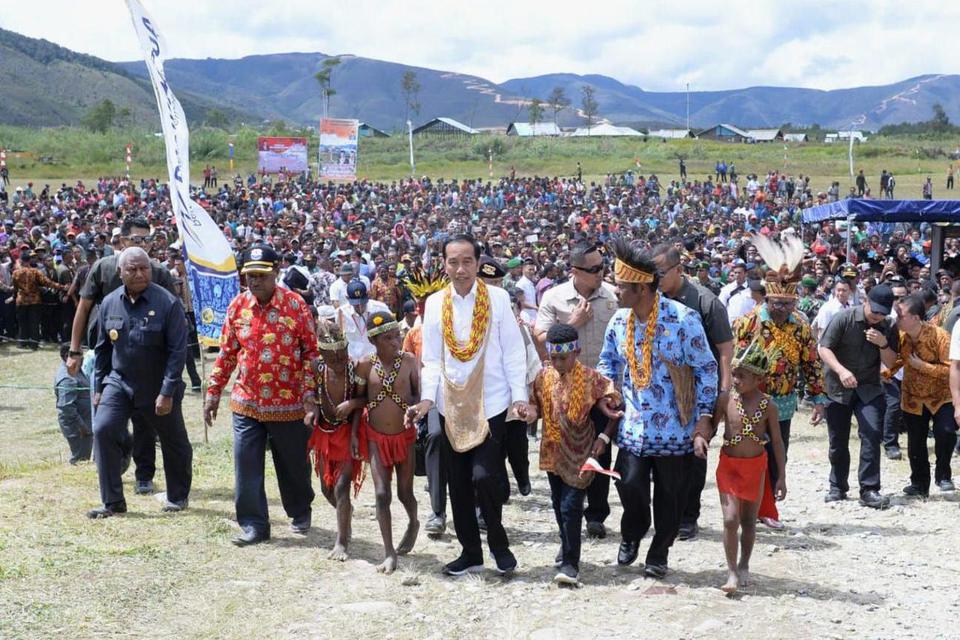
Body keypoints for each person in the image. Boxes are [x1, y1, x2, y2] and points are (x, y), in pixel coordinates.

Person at [407, 234, 530, 577]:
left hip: (490, 402)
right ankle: (470, 553)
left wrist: (519, 396)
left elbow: (513, 351)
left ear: (478, 263)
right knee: (458, 482)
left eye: (467, 262)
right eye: (453, 262)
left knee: (485, 477)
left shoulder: (499, 299)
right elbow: (431, 359)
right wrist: (427, 401)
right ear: (444, 264)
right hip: (450, 404)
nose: (460, 270)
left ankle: (499, 544)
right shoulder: (434, 304)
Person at [598, 238, 718, 579]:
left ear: (641, 289)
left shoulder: (684, 319)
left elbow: (706, 370)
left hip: (677, 429)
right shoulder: (619, 322)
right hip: (634, 427)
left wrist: (704, 418)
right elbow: (608, 361)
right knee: (629, 485)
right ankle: (633, 531)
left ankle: (658, 552)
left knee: (670, 496)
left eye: (621, 286)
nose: (616, 292)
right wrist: (609, 390)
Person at [205, 245, 319, 546]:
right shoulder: (237, 307)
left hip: (289, 404)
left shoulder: (296, 306)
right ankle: (254, 524)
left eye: (261, 276)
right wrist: (213, 392)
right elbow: (227, 354)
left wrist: (309, 394)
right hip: (247, 402)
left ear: (276, 273)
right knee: (247, 464)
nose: (254, 282)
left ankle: (299, 509)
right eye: (249, 276)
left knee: (293, 463)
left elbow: (311, 353)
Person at [66, 215, 179, 496]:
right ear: (122, 240)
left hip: (148, 357)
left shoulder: (159, 273)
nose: (143, 244)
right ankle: (112, 470)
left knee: (144, 422)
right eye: (136, 239)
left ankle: (144, 475)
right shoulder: (103, 269)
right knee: (106, 418)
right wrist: (74, 349)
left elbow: (172, 315)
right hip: (107, 354)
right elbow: (83, 306)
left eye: (147, 239)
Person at [87, 247, 192, 518]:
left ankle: (178, 497)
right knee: (103, 429)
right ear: (120, 272)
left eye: (144, 268)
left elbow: (177, 352)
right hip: (119, 382)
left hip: (158, 385)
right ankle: (113, 502)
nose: (139, 273)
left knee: (174, 441)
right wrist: (99, 388)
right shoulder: (109, 302)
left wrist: (167, 391)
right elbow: (102, 350)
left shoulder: (167, 303)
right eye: (132, 269)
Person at [733, 239, 826, 528]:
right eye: (778, 303)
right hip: (750, 400)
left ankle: (766, 508)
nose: (783, 308)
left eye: (788, 303)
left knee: (776, 452)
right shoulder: (748, 323)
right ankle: (742, 504)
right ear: (766, 299)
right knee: (747, 452)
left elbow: (811, 362)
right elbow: (734, 361)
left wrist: (818, 398)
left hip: (784, 404)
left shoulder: (800, 325)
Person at [523, 323, 622, 585]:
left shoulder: (593, 378)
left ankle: (570, 564)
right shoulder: (543, 378)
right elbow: (536, 410)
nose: (557, 362)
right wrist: (528, 414)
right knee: (558, 504)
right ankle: (566, 543)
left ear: (576, 352)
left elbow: (615, 408)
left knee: (570, 506)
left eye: (563, 357)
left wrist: (604, 437)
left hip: (581, 453)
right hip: (552, 452)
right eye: (553, 357)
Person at [535, 241, 619, 538]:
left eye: (602, 267)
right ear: (575, 271)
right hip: (564, 390)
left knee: (599, 448)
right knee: (565, 451)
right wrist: (573, 322)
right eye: (594, 269)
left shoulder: (612, 296)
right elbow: (540, 336)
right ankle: (568, 507)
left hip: (599, 389)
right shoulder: (555, 296)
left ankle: (595, 513)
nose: (601, 273)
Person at [652, 243, 733, 541]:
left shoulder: (705, 302)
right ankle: (665, 513)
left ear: (679, 270)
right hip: (660, 391)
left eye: (660, 273)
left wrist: (723, 392)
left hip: (700, 388)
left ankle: (688, 516)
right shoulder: (650, 299)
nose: (655, 279)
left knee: (694, 454)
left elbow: (725, 351)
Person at [694, 339, 785, 594]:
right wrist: (702, 437)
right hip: (729, 466)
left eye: (742, 376)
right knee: (730, 519)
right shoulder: (725, 400)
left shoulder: (768, 406)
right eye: (733, 375)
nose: (735, 380)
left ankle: (745, 563)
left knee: (748, 520)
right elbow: (711, 426)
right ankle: (731, 571)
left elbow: (777, 442)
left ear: (758, 379)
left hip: (755, 468)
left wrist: (781, 477)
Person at [818, 284, 898, 509]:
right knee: (838, 440)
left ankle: (870, 489)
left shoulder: (888, 326)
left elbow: (891, 362)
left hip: (869, 388)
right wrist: (841, 371)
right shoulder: (844, 318)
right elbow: (824, 348)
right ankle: (837, 486)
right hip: (838, 388)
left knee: (872, 433)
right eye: (875, 311)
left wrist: (882, 344)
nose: (878, 316)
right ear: (865, 301)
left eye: (883, 313)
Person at [356, 311, 420, 574]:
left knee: (405, 492)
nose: (396, 342)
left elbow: (418, 394)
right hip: (375, 439)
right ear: (374, 342)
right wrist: (350, 407)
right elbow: (359, 399)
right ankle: (389, 552)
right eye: (388, 338)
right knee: (382, 494)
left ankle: (413, 522)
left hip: (404, 438)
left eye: (397, 336)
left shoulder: (409, 362)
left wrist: (415, 408)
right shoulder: (364, 365)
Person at [880, 294, 955, 497]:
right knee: (916, 442)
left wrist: (924, 367)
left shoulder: (940, 336)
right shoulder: (902, 337)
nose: (897, 319)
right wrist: (887, 373)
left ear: (914, 317)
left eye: (901, 315)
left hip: (941, 396)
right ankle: (919, 483)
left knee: (946, 433)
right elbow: (899, 360)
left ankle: (944, 475)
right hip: (913, 397)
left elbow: (952, 370)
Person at [307, 320, 367, 561]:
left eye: (342, 357)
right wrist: (312, 410)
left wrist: (352, 404)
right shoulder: (316, 367)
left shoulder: (356, 369)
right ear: (322, 355)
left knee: (342, 487)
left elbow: (367, 400)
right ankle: (346, 514)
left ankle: (342, 541)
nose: (339, 363)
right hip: (324, 433)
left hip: (347, 432)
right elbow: (309, 393)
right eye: (333, 360)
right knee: (326, 489)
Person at [401, 266, 449, 537]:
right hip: (431, 396)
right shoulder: (414, 335)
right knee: (434, 437)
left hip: (463, 394)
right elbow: (410, 368)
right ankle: (437, 512)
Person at [9, 250, 67, 349]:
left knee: (22, 323)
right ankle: (34, 344)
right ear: (29, 260)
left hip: (21, 300)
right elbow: (48, 282)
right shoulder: (35, 271)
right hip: (34, 301)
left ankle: (23, 343)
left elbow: (15, 288)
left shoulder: (15, 273)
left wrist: (14, 297)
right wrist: (61, 287)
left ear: (21, 260)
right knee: (34, 322)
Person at [55, 342, 93, 464]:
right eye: (80, 354)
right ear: (68, 356)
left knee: (83, 458)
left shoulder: (75, 370)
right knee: (80, 459)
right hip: (78, 428)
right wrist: (82, 427)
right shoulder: (68, 379)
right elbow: (66, 407)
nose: (83, 357)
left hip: (84, 424)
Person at [336, 280, 390, 361]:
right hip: (353, 360)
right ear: (347, 298)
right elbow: (340, 338)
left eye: (362, 302)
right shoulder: (341, 313)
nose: (360, 306)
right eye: (356, 305)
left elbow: (392, 332)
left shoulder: (380, 308)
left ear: (368, 295)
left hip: (378, 358)